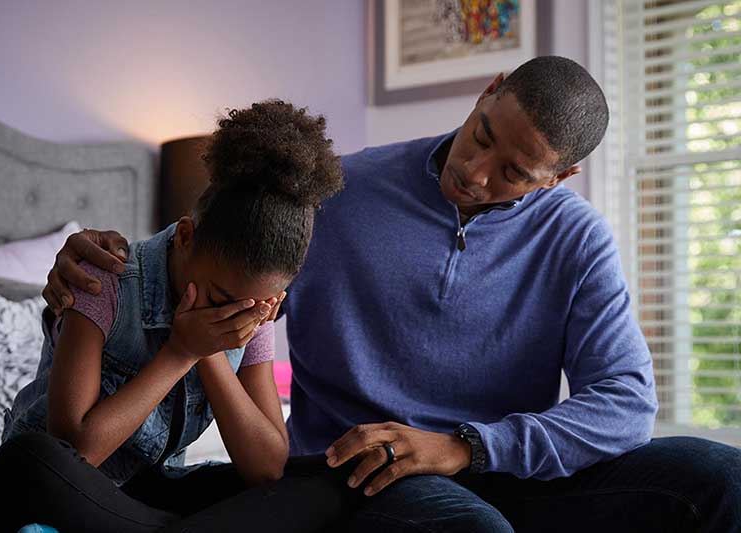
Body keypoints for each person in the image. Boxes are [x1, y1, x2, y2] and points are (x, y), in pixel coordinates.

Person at [42, 57, 741, 532]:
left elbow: (625, 405)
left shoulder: (577, 239)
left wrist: (465, 446)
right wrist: (95, 256)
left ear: (562, 176)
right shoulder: (340, 194)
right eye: (482, 136)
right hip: (365, 474)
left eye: (514, 172)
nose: (475, 172)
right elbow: (218, 251)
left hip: (500, 461)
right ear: (487, 90)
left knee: (721, 477)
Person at [0, 100, 361, 533]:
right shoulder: (105, 277)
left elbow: (266, 468)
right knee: (31, 459)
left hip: (142, 494)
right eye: (220, 297)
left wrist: (208, 354)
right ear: (187, 237)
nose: (235, 316)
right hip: (55, 483)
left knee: (321, 487)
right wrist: (181, 351)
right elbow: (77, 450)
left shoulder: (253, 312)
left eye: (255, 306)